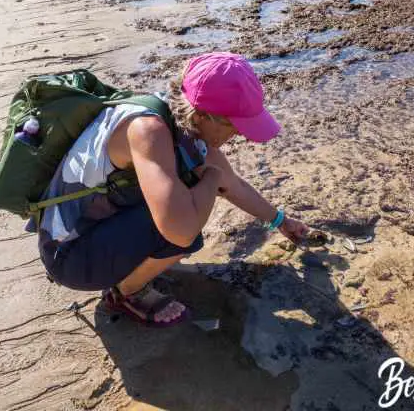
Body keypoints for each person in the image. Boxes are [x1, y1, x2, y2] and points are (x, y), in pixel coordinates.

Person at [32, 52, 309, 327]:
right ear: (203, 115)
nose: (240, 135)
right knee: (185, 225)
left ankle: (129, 267)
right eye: (235, 126)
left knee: (183, 203)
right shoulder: (148, 131)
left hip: (88, 230)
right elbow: (182, 230)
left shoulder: (181, 123)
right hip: (69, 256)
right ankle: (127, 292)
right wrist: (211, 178)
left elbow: (233, 185)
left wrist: (281, 221)